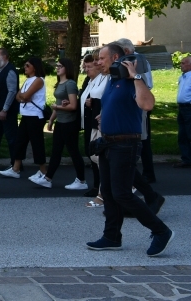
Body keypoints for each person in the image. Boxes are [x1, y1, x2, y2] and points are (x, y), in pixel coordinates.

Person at [86, 44, 174, 257]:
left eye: (101, 58)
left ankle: (161, 231)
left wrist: (135, 76)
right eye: (97, 59)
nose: (98, 62)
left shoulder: (131, 80)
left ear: (116, 57)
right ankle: (112, 237)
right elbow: (118, 106)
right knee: (107, 192)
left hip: (125, 144)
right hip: (109, 143)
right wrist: (104, 117)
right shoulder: (113, 81)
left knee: (122, 194)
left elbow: (147, 104)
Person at [31, 58, 87, 190]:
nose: (57, 68)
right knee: (56, 151)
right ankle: (48, 178)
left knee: (73, 152)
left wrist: (57, 107)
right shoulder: (60, 83)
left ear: (66, 68)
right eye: (57, 66)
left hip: (69, 123)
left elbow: (73, 106)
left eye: (60, 66)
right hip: (60, 122)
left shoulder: (70, 84)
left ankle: (82, 180)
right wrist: (51, 119)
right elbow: (60, 104)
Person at [0, 57, 47, 180]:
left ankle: (43, 171)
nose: (25, 68)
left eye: (27, 66)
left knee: (37, 144)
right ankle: (16, 168)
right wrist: (23, 97)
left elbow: (24, 95)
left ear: (34, 67)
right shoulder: (28, 80)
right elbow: (18, 96)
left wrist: (23, 97)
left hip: (35, 116)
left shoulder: (38, 80)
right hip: (26, 115)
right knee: (20, 142)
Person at [116, 38, 156, 182]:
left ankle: (148, 173)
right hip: (130, 102)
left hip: (139, 103)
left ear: (126, 51)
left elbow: (146, 84)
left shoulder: (139, 61)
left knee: (142, 138)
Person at [80, 53, 105, 200]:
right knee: (93, 155)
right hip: (90, 121)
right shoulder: (89, 81)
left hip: (98, 121)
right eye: (87, 66)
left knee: (98, 156)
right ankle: (99, 187)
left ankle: (101, 189)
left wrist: (92, 103)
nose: (88, 68)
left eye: (91, 65)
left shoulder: (105, 79)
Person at [176, 55, 191, 168]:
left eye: (183, 63)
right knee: (182, 134)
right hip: (182, 108)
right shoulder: (182, 77)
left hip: (189, 108)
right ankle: (186, 159)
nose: (181, 65)